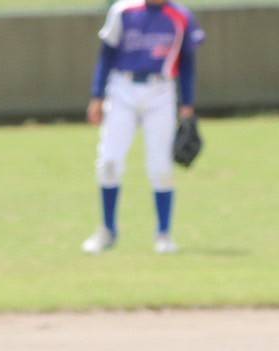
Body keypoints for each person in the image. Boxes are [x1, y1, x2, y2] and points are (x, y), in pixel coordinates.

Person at [82, 0, 205, 255]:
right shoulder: (123, 11)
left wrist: (188, 105)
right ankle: (107, 230)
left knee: (161, 166)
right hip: (121, 88)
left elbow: (187, 62)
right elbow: (106, 54)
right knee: (109, 161)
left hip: (161, 91)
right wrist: (97, 95)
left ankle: (164, 234)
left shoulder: (180, 16)